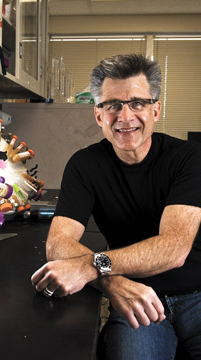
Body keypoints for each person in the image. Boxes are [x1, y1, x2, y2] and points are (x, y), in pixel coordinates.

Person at [31, 53, 201, 359]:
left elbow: (174, 249)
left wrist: (90, 269)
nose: (125, 116)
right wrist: (112, 283)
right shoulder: (85, 165)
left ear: (156, 110)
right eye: (113, 105)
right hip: (133, 296)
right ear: (98, 115)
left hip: (198, 294)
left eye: (137, 103)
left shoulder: (188, 158)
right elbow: (57, 244)